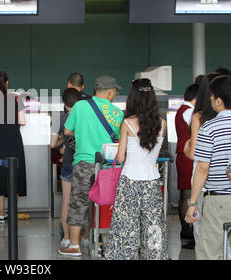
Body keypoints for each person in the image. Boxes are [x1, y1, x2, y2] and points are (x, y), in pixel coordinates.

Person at [104, 78, 169, 260]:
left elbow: (121, 157)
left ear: (132, 99)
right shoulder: (162, 124)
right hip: (152, 182)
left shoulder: (127, 123)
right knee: (153, 229)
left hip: (129, 181)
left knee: (126, 229)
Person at [60, 75, 123, 256]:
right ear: (111, 91)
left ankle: (74, 246)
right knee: (105, 203)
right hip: (107, 166)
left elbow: (67, 130)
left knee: (78, 202)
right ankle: (101, 243)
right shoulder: (117, 113)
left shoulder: (80, 106)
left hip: (83, 162)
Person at [185, 75, 231, 260]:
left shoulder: (210, 128)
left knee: (209, 252)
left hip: (218, 200)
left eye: (211, 97)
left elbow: (203, 167)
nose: (209, 100)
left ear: (219, 101)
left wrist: (193, 203)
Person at [183, 72, 220, 249]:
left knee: (204, 236)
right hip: (224, 183)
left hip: (203, 182)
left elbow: (195, 153)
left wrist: (185, 148)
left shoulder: (199, 116)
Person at [0, 71, 27, 223]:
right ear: (7, 82)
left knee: (0, 175)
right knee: (15, 174)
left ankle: (2, 214)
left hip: (0, 140)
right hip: (15, 139)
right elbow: (23, 122)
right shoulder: (17, 98)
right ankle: (13, 213)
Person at [51, 84, 89, 250]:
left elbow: (53, 144)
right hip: (86, 163)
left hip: (68, 162)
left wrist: (62, 141)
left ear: (65, 104)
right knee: (86, 201)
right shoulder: (86, 113)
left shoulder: (59, 117)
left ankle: (66, 238)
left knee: (66, 202)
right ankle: (86, 238)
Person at [174, 83, 198, 249]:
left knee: (184, 193)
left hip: (182, 154)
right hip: (189, 154)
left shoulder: (181, 109)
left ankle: (185, 230)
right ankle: (188, 231)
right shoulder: (190, 111)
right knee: (188, 193)